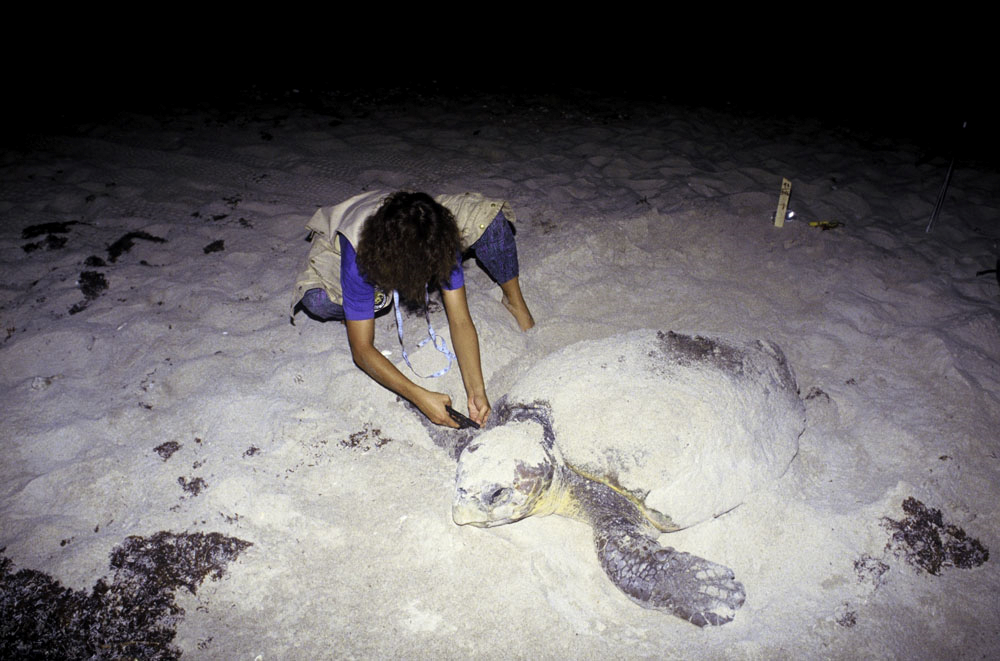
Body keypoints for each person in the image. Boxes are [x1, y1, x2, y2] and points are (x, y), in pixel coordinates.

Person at [291, 190, 534, 428]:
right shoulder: (358, 255)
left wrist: (476, 391)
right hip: (358, 232)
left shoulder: (438, 237)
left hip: (412, 219)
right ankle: (355, 310)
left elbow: (460, 320)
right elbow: (362, 350)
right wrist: (420, 397)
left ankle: (515, 301)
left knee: (491, 222)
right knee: (318, 301)